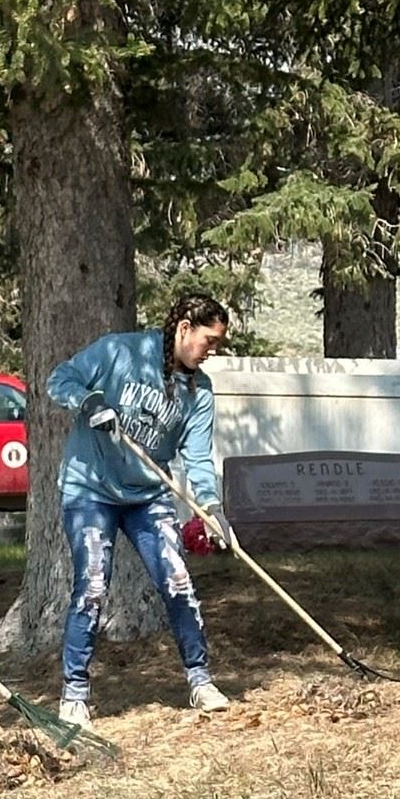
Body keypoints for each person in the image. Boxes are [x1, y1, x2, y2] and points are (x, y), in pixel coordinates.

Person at [45, 293, 234, 729]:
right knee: (92, 585)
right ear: (184, 328)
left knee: (178, 580)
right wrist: (89, 402)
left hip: (147, 495)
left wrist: (211, 508)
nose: (212, 351)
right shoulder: (119, 351)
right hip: (90, 489)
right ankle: (74, 694)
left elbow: (197, 458)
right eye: (209, 340)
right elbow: (61, 378)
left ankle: (200, 680)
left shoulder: (199, 392)